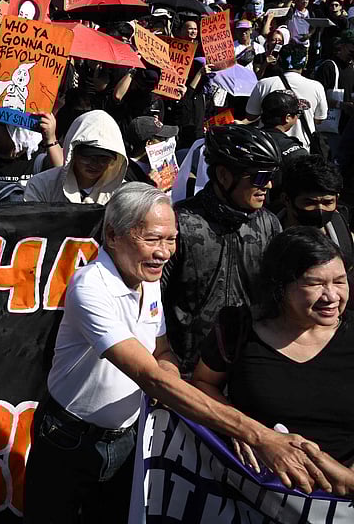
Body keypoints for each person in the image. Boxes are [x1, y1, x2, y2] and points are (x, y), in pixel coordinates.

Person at [23, 184, 334, 523]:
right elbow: (148, 376)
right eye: (153, 239)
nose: (165, 252)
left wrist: (170, 375)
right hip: (68, 440)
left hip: (129, 438)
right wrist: (258, 435)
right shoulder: (89, 288)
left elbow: (161, 353)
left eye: (171, 239)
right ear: (112, 235)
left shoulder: (148, 276)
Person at [192, 227, 354, 470]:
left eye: (340, 281)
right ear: (281, 286)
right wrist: (240, 427)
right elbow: (203, 384)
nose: (331, 295)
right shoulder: (237, 328)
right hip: (254, 492)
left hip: (340, 500)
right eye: (315, 283)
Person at [163, 125, 282, 370]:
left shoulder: (269, 224)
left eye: (272, 176)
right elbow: (150, 302)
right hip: (185, 369)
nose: (268, 185)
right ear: (224, 175)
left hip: (246, 365)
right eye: (260, 177)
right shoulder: (178, 224)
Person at [24, 110, 130, 204]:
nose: (94, 164)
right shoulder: (41, 185)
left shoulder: (124, 194)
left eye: (103, 159)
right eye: (87, 157)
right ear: (72, 152)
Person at [246, 42, 327, 151]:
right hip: (301, 150)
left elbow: (251, 115)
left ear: (279, 60)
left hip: (268, 148)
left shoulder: (263, 84)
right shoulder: (317, 87)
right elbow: (319, 119)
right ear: (304, 62)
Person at [277, 156, 354, 253]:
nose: (320, 210)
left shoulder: (341, 230)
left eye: (328, 202)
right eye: (309, 203)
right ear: (286, 199)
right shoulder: (265, 233)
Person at [257, 90, 308, 169]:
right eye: (297, 113)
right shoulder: (293, 151)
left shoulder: (251, 138)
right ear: (287, 118)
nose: (297, 117)